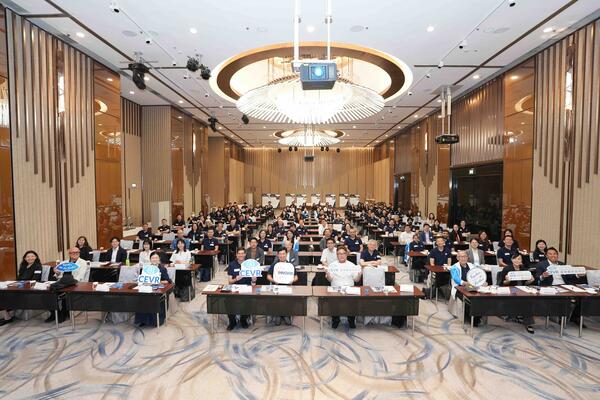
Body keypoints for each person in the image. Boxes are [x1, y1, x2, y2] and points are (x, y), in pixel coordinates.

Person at [0, 251, 43, 326]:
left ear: (36, 257)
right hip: (20, 286)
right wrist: (16, 284)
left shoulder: (38, 266)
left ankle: (8, 316)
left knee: (8, 296)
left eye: (32, 256)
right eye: (28, 256)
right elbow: (19, 278)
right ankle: (8, 315)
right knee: (2, 294)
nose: (30, 258)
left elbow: (35, 279)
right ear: (25, 258)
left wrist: (23, 284)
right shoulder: (23, 266)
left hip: (30, 288)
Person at [325, 245, 362, 329]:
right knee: (334, 301)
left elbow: (356, 280)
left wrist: (359, 275)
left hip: (349, 287)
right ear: (337, 255)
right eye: (339, 254)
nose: (341, 255)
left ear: (346, 254)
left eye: (343, 253)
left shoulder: (352, 265)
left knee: (352, 302)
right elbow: (330, 280)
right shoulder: (332, 265)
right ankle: (336, 320)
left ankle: (351, 320)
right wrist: (328, 275)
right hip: (336, 288)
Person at [499, 254, 535, 334]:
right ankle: (527, 322)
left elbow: (526, 282)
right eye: (515, 259)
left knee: (528, 300)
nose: (517, 260)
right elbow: (502, 283)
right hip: (511, 290)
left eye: (519, 259)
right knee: (525, 301)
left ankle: (527, 322)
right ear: (512, 260)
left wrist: (531, 280)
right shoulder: (507, 269)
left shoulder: (524, 269)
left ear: (521, 260)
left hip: (522, 289)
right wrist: (507, 281)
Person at [134, 252, 172, 327]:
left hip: (158, 289)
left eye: (156, 258)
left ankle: (155, 321)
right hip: (147, 288)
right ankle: (143, 320)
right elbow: (142, 279)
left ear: (159, 259)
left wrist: (157, 281)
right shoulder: (146, 268)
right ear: (150, 260)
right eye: (153, 258)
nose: (154, 259)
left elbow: (167, 281)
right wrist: (145, 282)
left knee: (153, 298)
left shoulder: (162, 269)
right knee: (141, 297)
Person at [449, 251, 484, 327]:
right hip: (460, 288)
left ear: (467, 257)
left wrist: (482, 281)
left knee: (480, 297)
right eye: (461, 257)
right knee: (469, 299)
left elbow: (477, 275)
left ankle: (477, 316)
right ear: (457, 258)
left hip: (472, 286)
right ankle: (473, 317)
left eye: (465, 256)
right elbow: (456, 279)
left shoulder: (471, 265)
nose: (463, 258)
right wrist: (465, 283)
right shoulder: (454, 267)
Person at [267, 248, 299, 325]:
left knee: (286, 300)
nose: (282, 255)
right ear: (278, 255)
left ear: (286, 254)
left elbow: (296, 277)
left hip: (287, 287)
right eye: (280, 254)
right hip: (277, 286)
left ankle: (285, 314)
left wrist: (292, 280)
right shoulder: (274, 265)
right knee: (277, 300)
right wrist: (274, 280)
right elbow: (268, 276)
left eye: (283, 253)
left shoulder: (290, 265)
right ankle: (278, 314)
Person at [226, 248, 255, 330]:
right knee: (227, 301)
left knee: (249, 301)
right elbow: (230, 281)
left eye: (242, 253)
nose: (241, 255)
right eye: (239, 253)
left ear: (245, 254)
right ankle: (232, 321)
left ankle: (243, 319)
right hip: (235, 288)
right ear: (236, 255)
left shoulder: (250, 264)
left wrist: (254, 279)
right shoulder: (232, 264)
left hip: (247, 288)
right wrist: (236, 279)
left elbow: (254, 282)